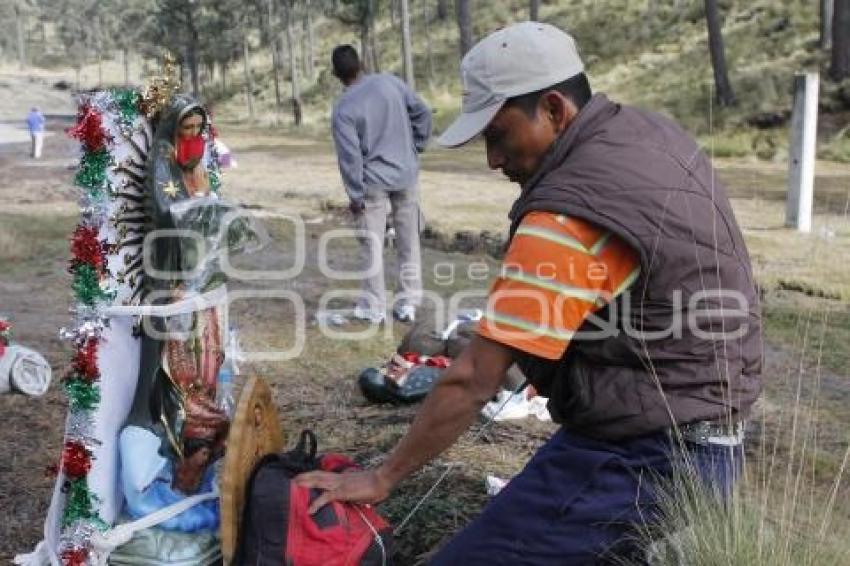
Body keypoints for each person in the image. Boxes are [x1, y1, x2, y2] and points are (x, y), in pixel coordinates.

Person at [296, 22, 762, 564]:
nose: (493, 160)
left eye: (498, 134)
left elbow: (473, 380)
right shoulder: (650, 135)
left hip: (648, 459)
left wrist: (382, 476)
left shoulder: (568, 213)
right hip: (710, 438)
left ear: (555, 109)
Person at [330, 45, 432, 324]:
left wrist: (355, 195)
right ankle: (408, 302)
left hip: (373, 182)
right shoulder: (390, 82)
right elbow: (423, 112)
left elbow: (350, 156)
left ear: (336, 74)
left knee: (372, 245)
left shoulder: (344, 107)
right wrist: (417, 146)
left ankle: (374, 307)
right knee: (409, 240)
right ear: (361, 63)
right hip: (406, 174)